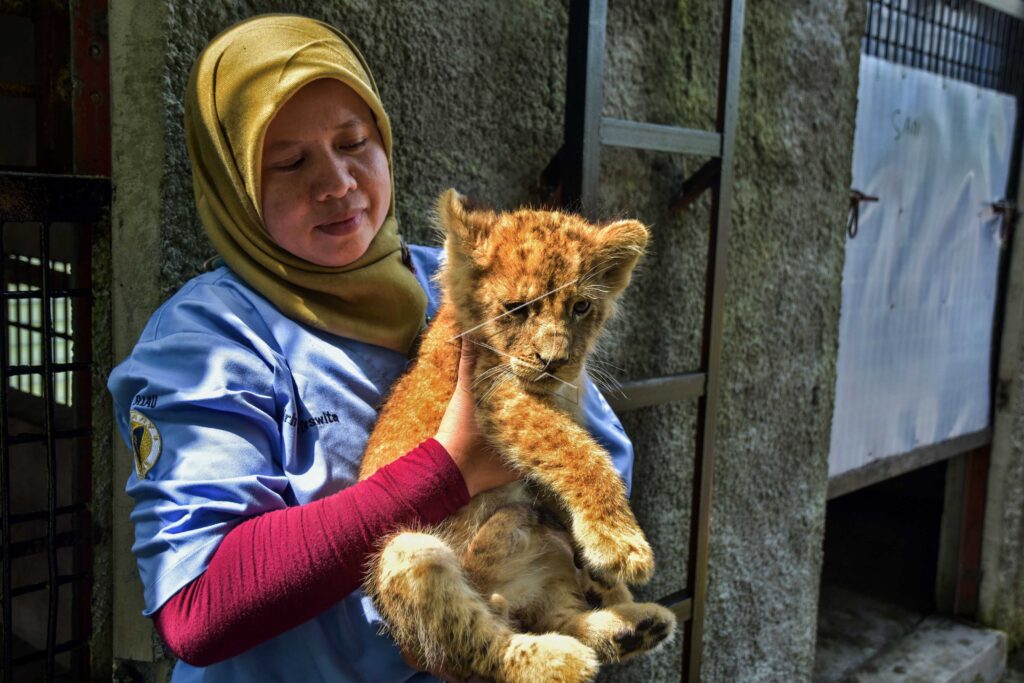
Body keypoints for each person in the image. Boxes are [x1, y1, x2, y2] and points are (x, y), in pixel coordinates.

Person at [108, 14, 635, 683]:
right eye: (289, 162)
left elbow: (602, 461)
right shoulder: (204, 342)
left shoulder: (467, 280)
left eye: (354, 142)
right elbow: (197, 607)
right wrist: (451, 468)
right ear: (234, 185)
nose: (337, 183)